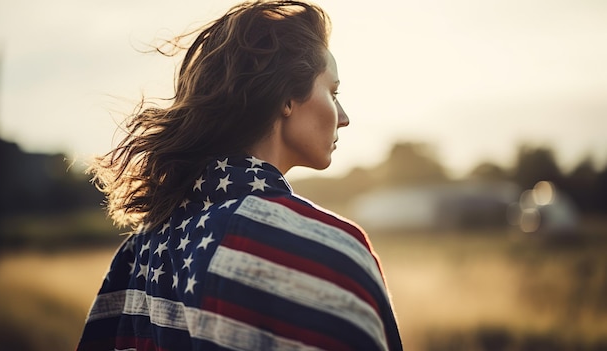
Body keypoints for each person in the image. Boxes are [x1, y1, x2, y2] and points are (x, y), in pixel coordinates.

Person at [76, 1, 403, 350]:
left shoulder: (139, 250)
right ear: (288, 97)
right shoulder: (329, 250)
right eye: (333, 92)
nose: (344, 116)